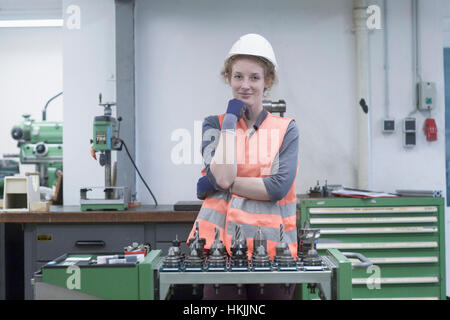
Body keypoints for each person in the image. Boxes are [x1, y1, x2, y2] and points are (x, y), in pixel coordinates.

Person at [187, 33, 299, 300]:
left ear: (268, 81)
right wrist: (229, 122)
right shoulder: (213, 124)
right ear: (229, 78)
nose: (245, 85)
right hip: (218, 251)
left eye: (254, 77)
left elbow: (276, 189)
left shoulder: (286, 129)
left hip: (273, 252)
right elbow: (224, 176)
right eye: (238, 76)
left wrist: (212, 184)